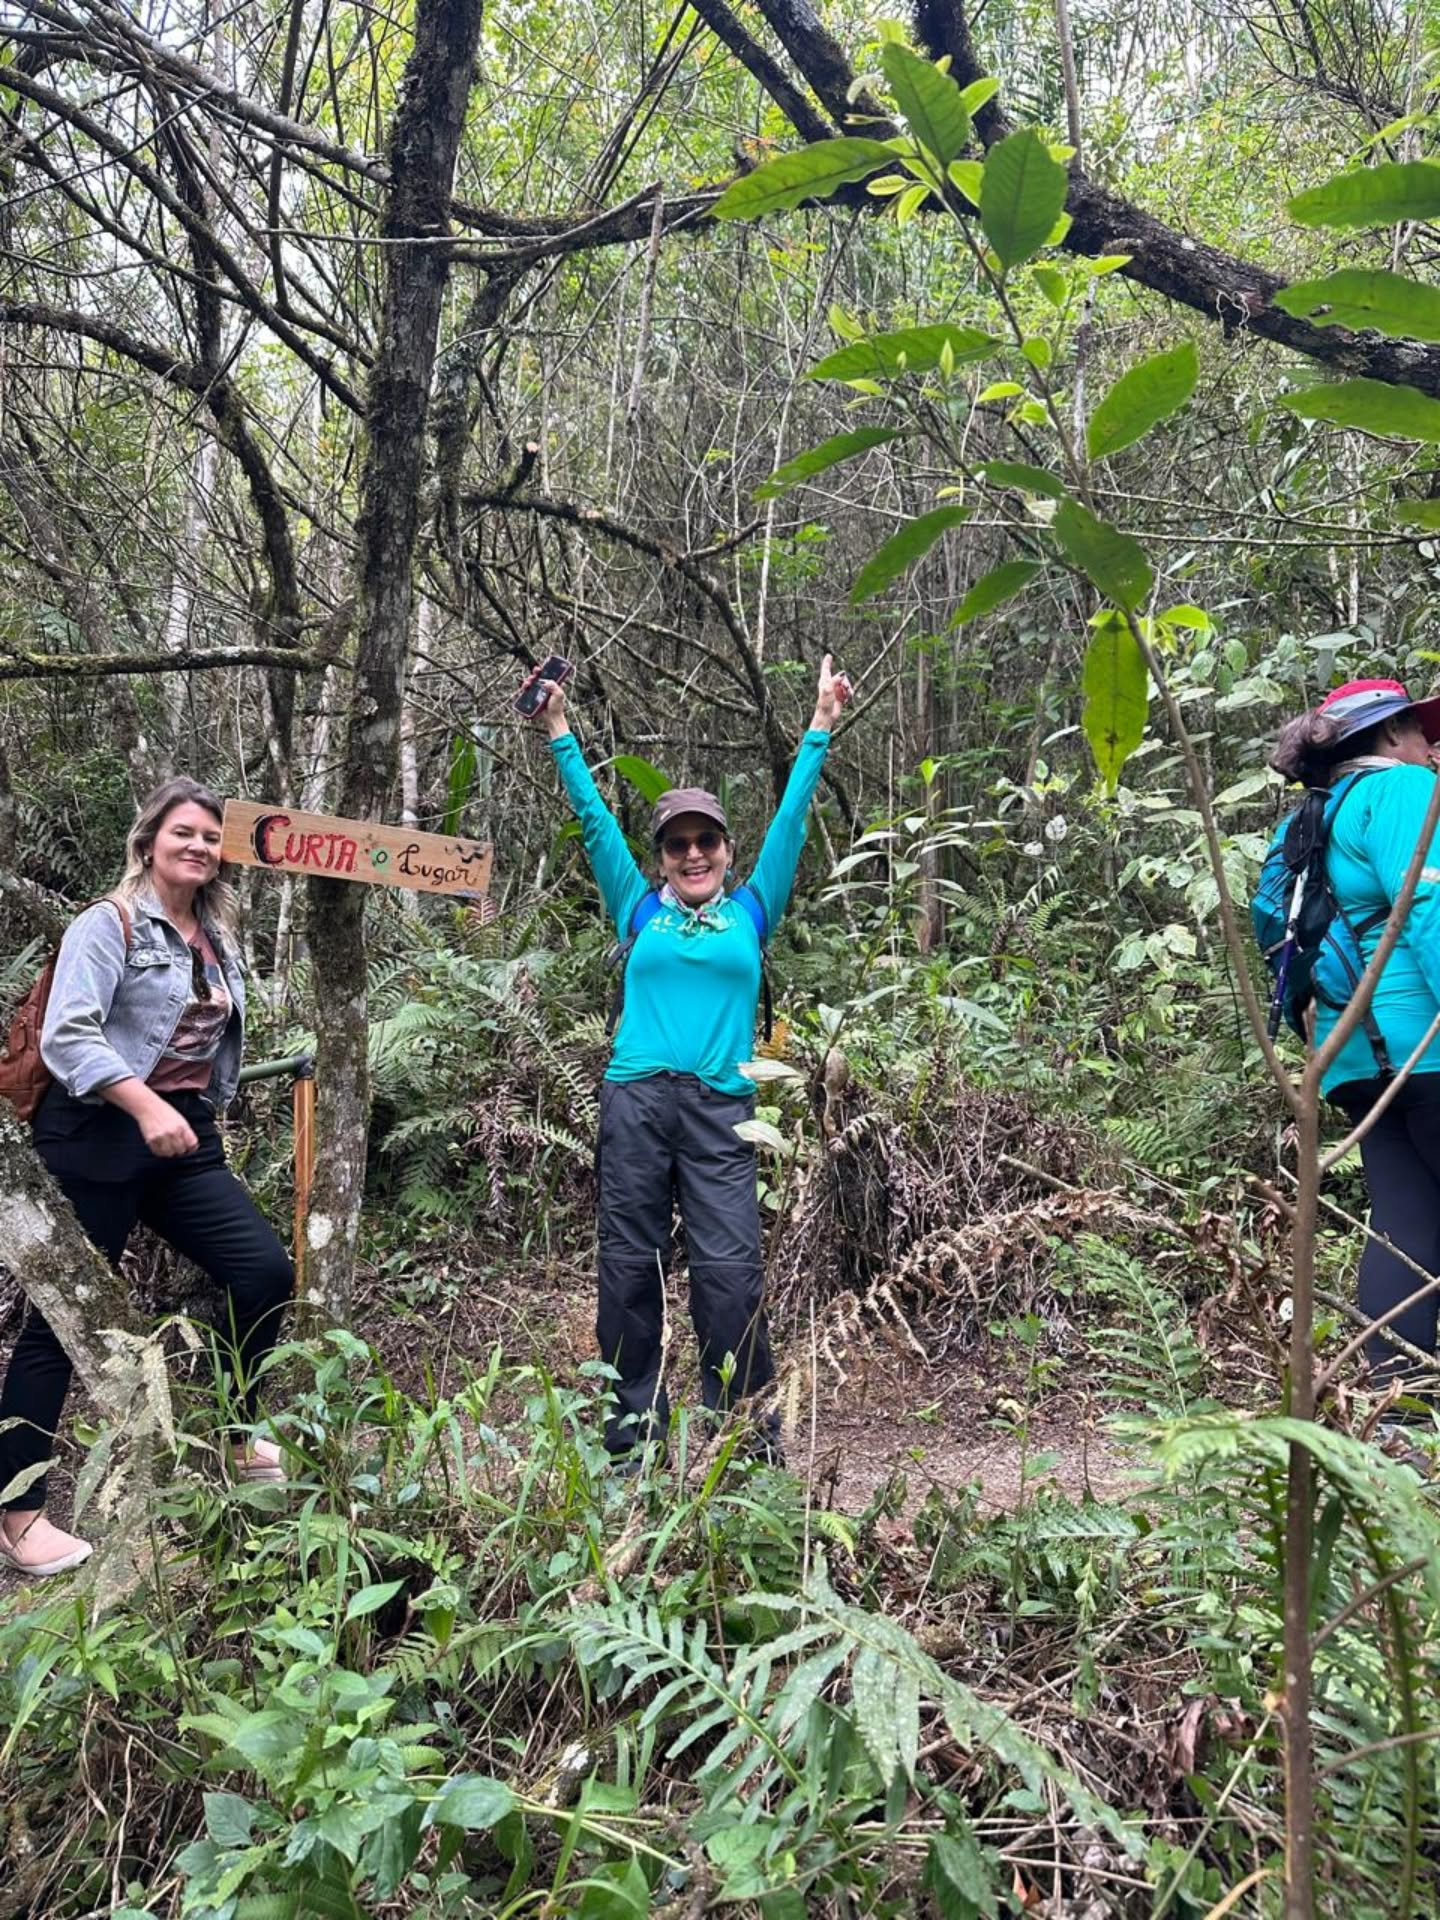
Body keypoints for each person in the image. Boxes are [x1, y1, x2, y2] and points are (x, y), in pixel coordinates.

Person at [534, 658, 845, 1464]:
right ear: (664, 857)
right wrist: (560, 729)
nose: (693, 853)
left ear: (726, 850)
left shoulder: (752, 909)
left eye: (706, 840)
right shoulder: (639, 909)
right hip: (635, 1103)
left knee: (731, 1277)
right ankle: (632, 1442)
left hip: (720, 1112)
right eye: (678, 844)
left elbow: (791, 825)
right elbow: (597, 821)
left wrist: (819, 726)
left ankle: (744, 1440)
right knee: (629, 1274)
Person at [0, 777, 294, 1577]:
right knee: (60, 1320)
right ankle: (19, 1514)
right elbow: (69, 1036)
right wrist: (140, 1104)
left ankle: (234, 1436)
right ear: (149, 841)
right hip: (98, 1131)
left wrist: (186, 1113)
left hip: (181, 1136)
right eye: (183, 833)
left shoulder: (217, 936)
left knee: (264, 1271)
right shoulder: (109, 922)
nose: (197, 846)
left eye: (209, 837)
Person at [1267, 677, 1440, 1400]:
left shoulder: (1303, 825)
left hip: (1350, 1062)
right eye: (1422, 732)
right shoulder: (1400, 794)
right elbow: (1429, 907)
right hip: (1428, 1049)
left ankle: (1396, 1410)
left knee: (1404, 1223)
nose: (1433, 746)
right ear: (1390, 735)